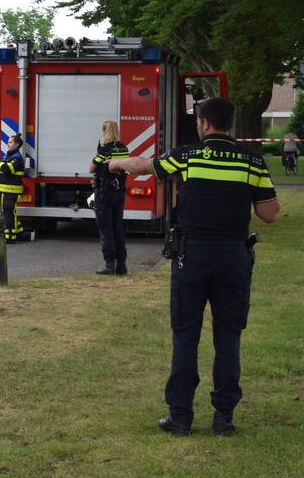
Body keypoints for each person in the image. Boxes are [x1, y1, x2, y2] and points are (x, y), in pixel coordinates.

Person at [109, 98, 278, 436]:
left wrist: (115, 164)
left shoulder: (186, 156)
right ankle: (224, 418)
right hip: (233, 257)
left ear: (202, 123)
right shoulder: (252, 161)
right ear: (229, 124)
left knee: (186, 336)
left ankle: (180, 417)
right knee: (228, 337)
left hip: (192, 257)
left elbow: (143, 166)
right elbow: (269, 213)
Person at [89, 120, 130, 275]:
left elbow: (91, 168)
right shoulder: (124, 148)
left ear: (104, 131)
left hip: (104, 191)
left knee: (106, 228)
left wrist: (101, 159)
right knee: (117, 226)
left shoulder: (105, 149)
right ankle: (121, 265)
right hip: (119, 192)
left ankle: (109, 264)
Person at [0, 133, 25, 243]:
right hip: (6, 190)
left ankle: (10, 237)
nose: (8, 144)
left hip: (11, 191)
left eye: (10, 142)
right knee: (8, 212)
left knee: (9, 213)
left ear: (17, 144)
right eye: (8, 142)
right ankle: (19, 233)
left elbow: (7, 169)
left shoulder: (16, 158)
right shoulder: (10, 155)